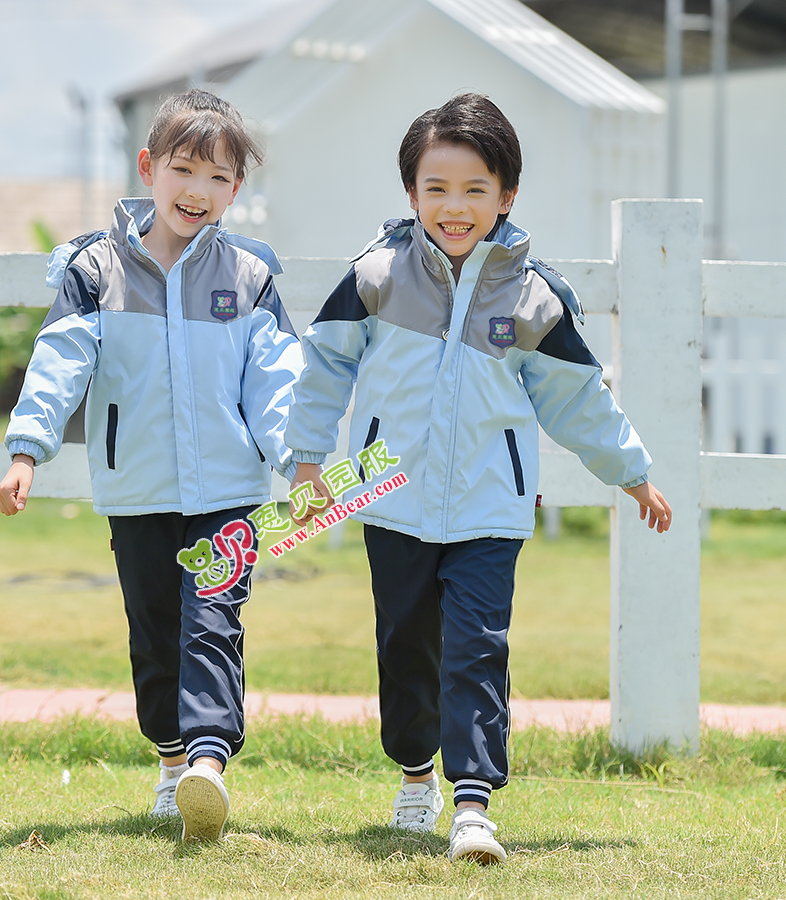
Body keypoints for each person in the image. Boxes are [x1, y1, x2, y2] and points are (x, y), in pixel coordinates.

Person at [284, 93, 672, 866]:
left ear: (506, 195)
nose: (454, 207)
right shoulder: (376, 276)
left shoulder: (533, 297)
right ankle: (414, 774)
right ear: (411, 194)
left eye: (473, 190)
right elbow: (324, 368)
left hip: (491, 506)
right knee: (404, 643)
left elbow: (577, 399)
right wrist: (304, 461)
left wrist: (632, 473)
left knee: (475, 646)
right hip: (386, 493)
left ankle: (471, 803)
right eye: (436, 188)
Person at [0, 89, 302, 842]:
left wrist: (299, 460)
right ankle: (171, 762)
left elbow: (277, 380)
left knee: (213, 623)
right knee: (154, 628)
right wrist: (27, 449)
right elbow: (60, 362)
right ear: (149, 167)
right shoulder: (95, 270)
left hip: (228, 489)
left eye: (219, 178)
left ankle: (206, 762)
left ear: (237, 189)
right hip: (135, 490)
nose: (198, 191)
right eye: (185, 169)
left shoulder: (249, 274)